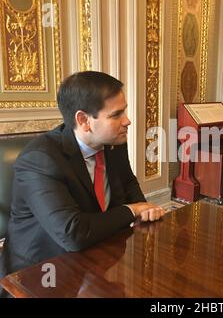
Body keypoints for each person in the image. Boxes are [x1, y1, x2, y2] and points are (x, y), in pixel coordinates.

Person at [0, 71, 165, 287]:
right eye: (116, 115)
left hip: (96, 255)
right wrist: (133, 210)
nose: (127, 121)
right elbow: (73, 233)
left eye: (124, 111)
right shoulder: (40, 159)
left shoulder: (114, 143)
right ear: (84, 120)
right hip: (42, 271)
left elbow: (127, 181)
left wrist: (144, 208)